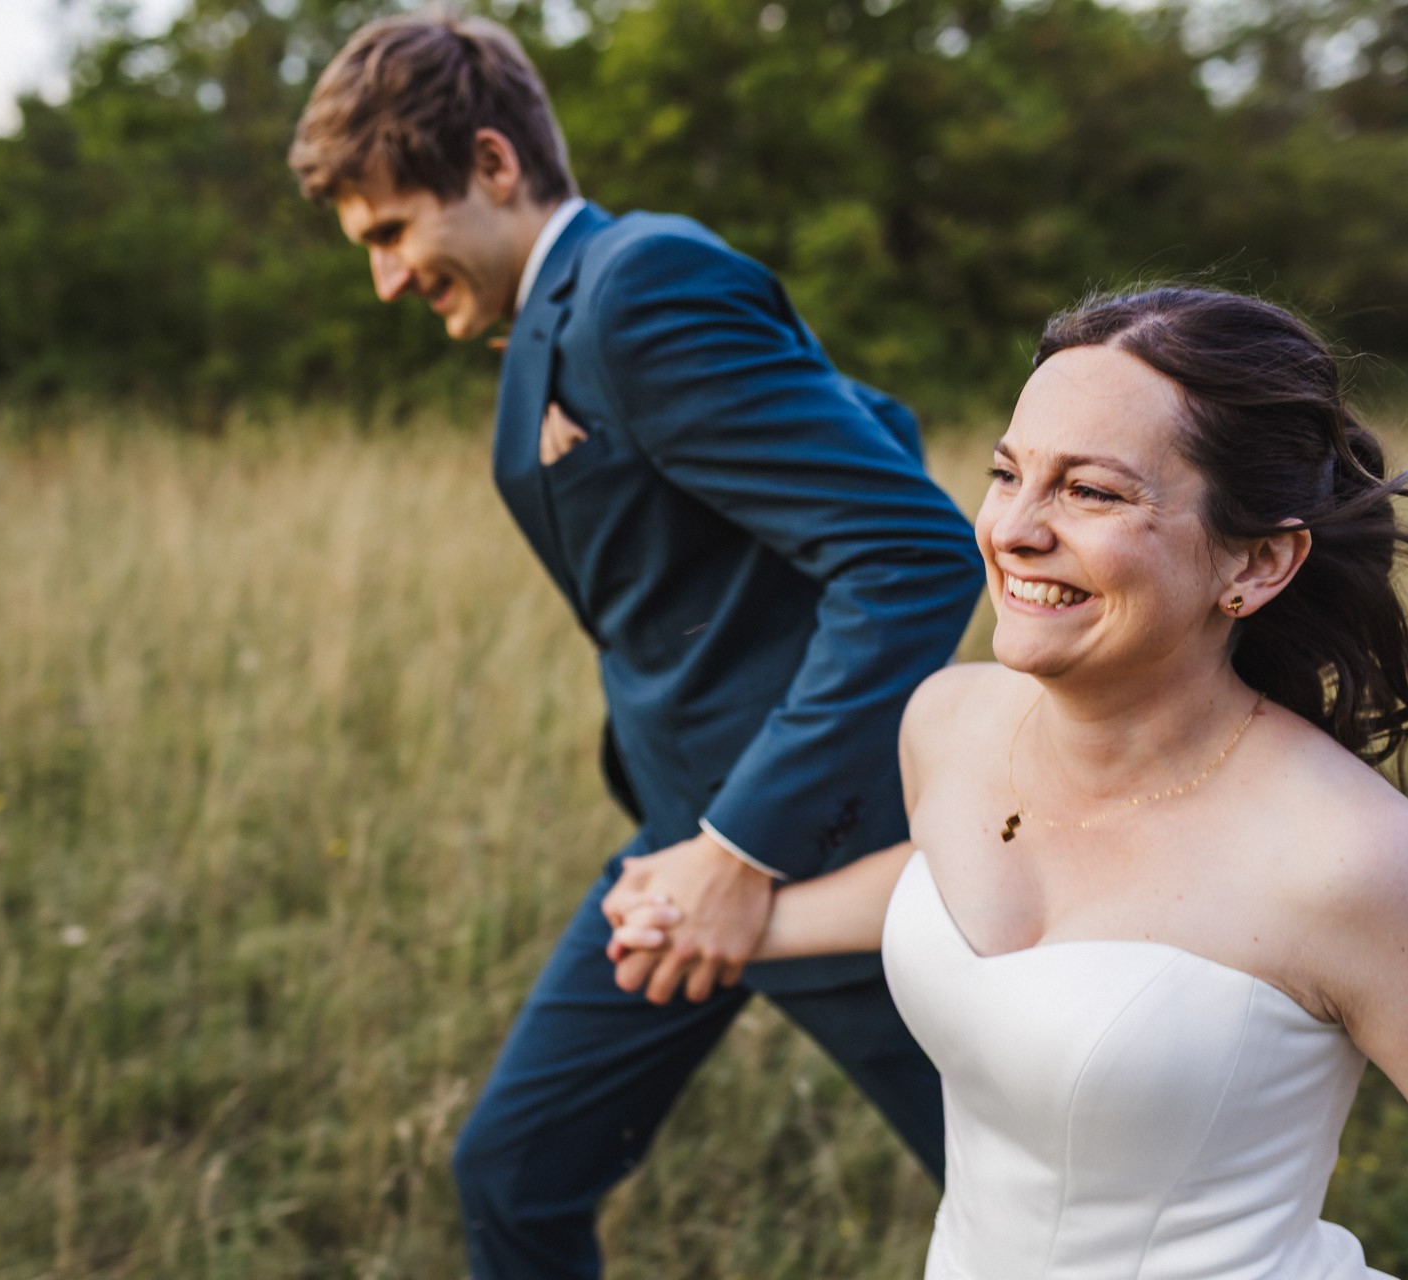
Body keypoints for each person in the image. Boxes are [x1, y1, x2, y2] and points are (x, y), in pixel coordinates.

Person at [289, 13, 984, 1277]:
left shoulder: (641, 286)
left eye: (393, 233)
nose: (384, 277)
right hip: (679, 846)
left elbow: (914, 549)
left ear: (494, 165)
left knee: (1051, 1206)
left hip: (828, 852)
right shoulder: (557, 314)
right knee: (513, 1169)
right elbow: (874, 423)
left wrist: (741, 847)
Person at [610, 287, 1408, 1277]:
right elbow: (969, 877)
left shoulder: (1376, 866)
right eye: (1006, 473)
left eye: (1092, 491)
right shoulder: (949, 722)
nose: (1013, 529)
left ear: (1257, 559)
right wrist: (747, 923)